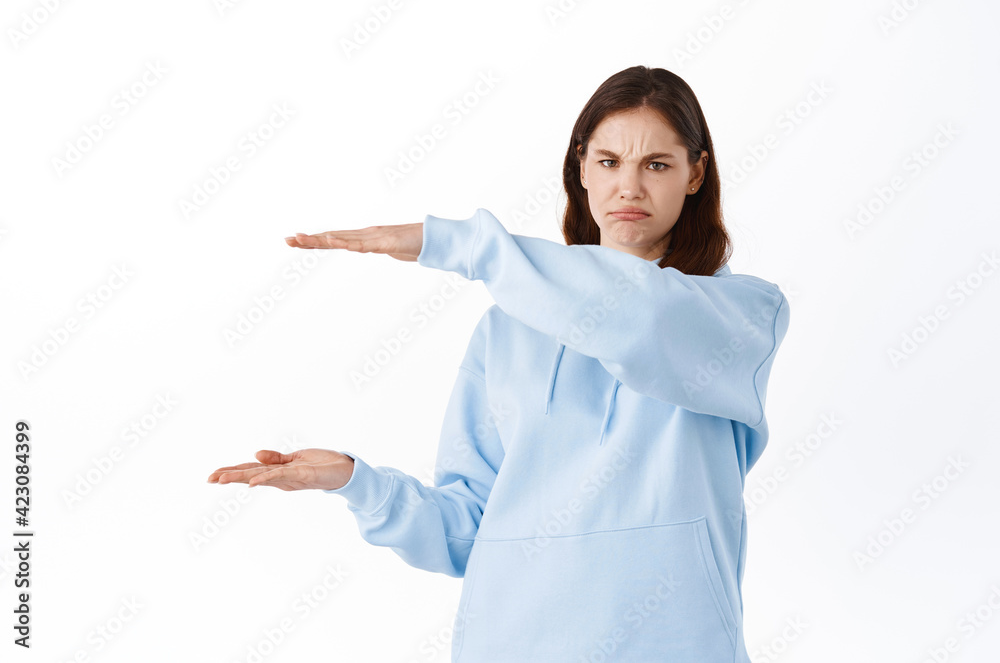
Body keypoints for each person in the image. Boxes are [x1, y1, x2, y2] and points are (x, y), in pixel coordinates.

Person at [207, 65, 791, 662]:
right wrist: (360, 483)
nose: (630, 188)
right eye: (610, 162)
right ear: (581, 168)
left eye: (657, 164)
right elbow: (469, 530)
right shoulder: (508, 327)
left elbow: (642, 316)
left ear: (697, 172)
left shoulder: (741, 316)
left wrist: (467, 246)